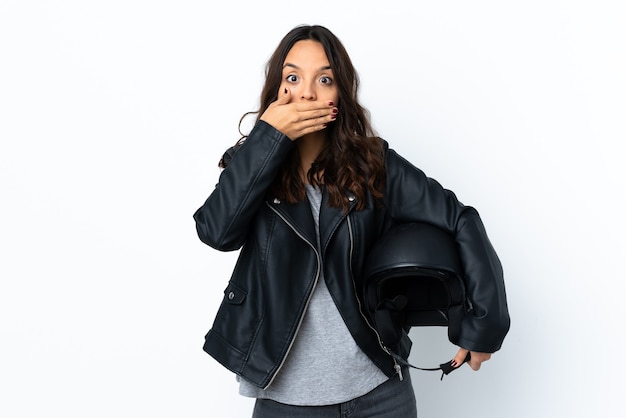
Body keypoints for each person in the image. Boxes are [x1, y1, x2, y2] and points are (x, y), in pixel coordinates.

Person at [193, 24, 510, 418]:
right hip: (285, 402)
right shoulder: (251, 164)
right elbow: (216, 231)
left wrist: (483, 325)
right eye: (292, 78)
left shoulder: (373, 164)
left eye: (324, 79)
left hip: (380, 394)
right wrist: (269, 137)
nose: (307, 92)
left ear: (340, 93)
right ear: (277, 90)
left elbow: (460, 219)